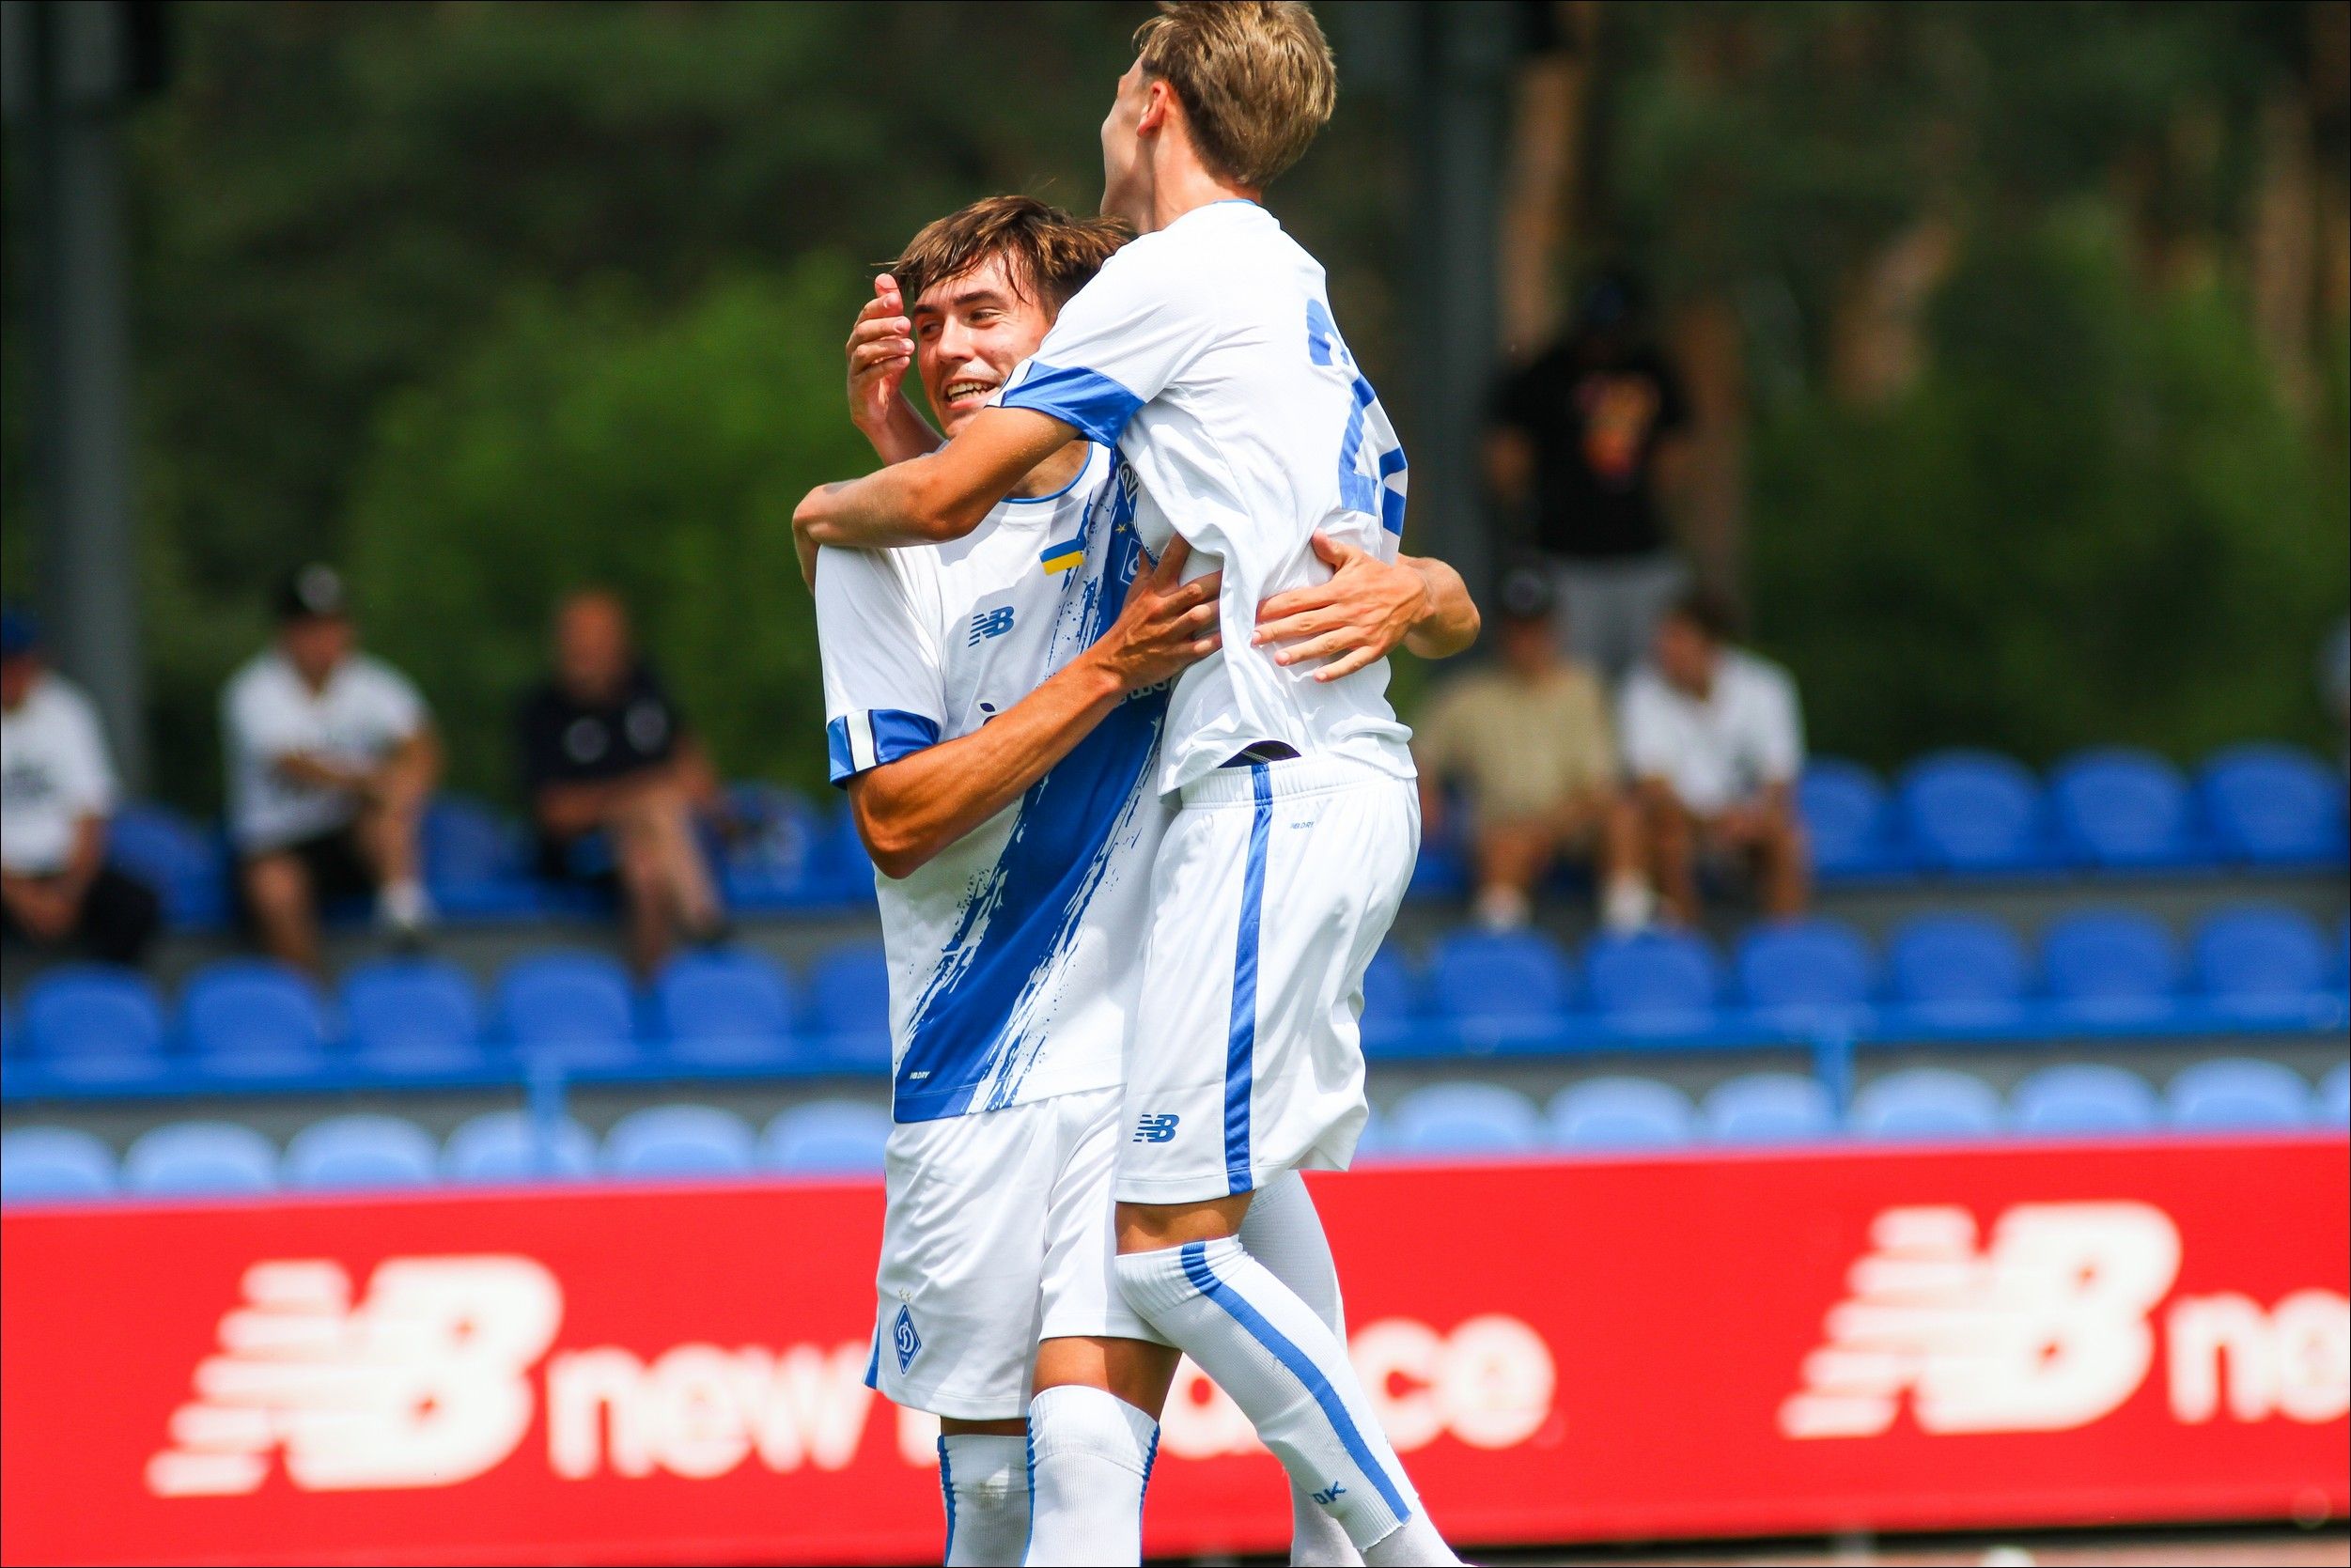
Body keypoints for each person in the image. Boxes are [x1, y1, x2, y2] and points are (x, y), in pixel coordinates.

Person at [795, 7, 1479, 1562]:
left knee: (1096, 1453)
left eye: (990, 313)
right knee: (992, 1497)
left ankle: (1403, 1547)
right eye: (934, 318)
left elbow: (1373, 550)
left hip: (1153, 988)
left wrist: (1431, 586)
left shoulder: (1140, 449)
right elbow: (897, 820)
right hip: (967, 1061)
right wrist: (889, 488)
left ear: (1073, 337)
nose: (960, 344)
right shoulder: (879, 558)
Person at [222, 565, 438, 972]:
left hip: (344, 836)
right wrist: (373, 779)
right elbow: (291, 762)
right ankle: (314, 1007)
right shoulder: (253, 690)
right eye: (310, 627)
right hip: (276, 839)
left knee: (386, 812)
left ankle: (404, 914)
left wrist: (408, 784)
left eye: (332, 625)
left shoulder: (369, 681)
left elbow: (420, 739)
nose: (323, 639)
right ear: (286, 633)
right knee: (276, 888)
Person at [1413, 567, 1649, 932]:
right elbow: (1419, 753)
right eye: (1517, 628)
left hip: (1577, 823)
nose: (1527, 639)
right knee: (1505, 847)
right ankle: (1501, 943)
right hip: (1501, 830)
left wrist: (1544, 830)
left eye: (1535, 627)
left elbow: (1602, 786)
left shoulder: (1583, 689)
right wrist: (1427, 793)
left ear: (1554, 629)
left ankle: (1629, 929)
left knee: (1623, 818)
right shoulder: (1467, 696)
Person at [1487, 271, 1691, 683]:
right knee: (1577, 681)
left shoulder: (1653, 371)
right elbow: (1506, 460)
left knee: (1653, 683)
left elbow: (1676, 461)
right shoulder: (1546, 373)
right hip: (1566, 559)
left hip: (1643, 553)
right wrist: (1526, 516)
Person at [517, 591, 727, 975]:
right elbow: (555, 814)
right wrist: (632, 799)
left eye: (598, 636)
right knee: (655, 802)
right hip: (582, 855)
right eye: (576, 636)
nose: (586, 648)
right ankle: (705, 922)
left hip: (654, 846)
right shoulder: (543, 712)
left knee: (646, 871)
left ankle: (651, 995)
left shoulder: (646, 689)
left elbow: (694, 773)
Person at [1620, 587, 1810, 924]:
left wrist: (1749, 821)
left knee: (1789, 839)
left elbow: (1780, 783)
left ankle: (1785, 952)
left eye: (1677, 639)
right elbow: (1653, 788)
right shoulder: (1642, 690)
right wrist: (1711, 822)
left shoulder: (1767, 686)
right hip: (1685, 823)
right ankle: (1689, 959)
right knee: (1668, 839)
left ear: (1711, 646)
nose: (1664, 649)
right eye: (1664, 639)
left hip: (1748, 823)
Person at [0, 609, 161, 966]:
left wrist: (67, 893)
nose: (13, 674)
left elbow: (90, 812)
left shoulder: (67, 709)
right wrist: (22, 896)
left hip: (63, 870)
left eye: (19, 662)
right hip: (7, 876)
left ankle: (102, 1004)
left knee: (135, 904)